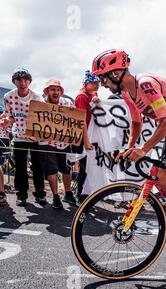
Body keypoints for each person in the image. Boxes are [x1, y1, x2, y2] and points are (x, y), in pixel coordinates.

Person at [92, 49, 166, 250]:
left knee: (164, 178)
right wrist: (129, 147)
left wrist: (143, 149)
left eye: (103, 79)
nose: (103, 85)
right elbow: (136, 122)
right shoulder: (127, 93)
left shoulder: (145, 84)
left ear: (116, 74)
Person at [0, 68, 46, 207]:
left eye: (25, 80)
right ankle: (21, 195)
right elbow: (10, 115)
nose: (22, 83)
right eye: (19, 80)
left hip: (35, 137)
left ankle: (40, 194)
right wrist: (7, 121)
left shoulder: (37, 97)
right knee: (20, 167)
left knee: (37, 166)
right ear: (14, 82)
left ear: (29, 82)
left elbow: (44, 117)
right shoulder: (8, 96)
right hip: (19, 136)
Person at [40, 80, 78, 209]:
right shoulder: (40, 105)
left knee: (66, 169)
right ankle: (56, 197)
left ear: (61, 91)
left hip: (63, 142)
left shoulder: (67, 103)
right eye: (52, 89)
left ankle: (68, 193)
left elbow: (76, 121)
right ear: (47, 91)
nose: (55, 92)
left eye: (58, 90)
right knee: (51, 171)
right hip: (46, 142)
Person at [74, 70, 99, 204]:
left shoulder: (93, 94)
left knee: (91, 167)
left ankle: (87, 194)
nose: (97, 85)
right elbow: (81, 120)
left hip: (91, 135)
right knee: (85, 167)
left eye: (98, 82)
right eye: (94, 83)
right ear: (86, 83)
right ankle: (81, 196)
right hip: (82, 137)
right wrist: (86, 141)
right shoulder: (81, 97)